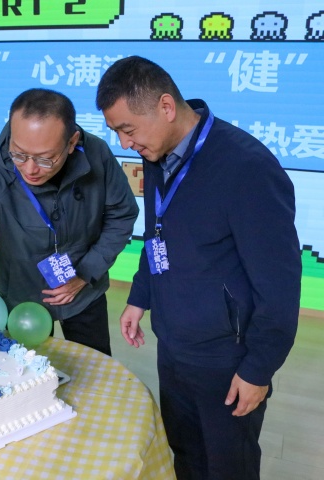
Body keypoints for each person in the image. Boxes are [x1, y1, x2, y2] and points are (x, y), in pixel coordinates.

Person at [95, 56, 301, 479]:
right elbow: (157, 233)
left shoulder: (247, 168)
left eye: (128, 129)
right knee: (185, 455)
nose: (124, 143)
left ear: (166, 107)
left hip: (227, 358)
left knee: (228, 467)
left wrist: (258, 368)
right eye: (116, 132)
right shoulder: (158, 154)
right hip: (173, 347)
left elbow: (280, 285)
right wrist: (140, 296)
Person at [0, 88, 139, 377]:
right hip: (20, 297)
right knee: (23, 380)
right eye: (19, 155)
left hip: (83, 291)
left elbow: (122, 215)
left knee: (94, 373)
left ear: (72, 142)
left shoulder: (96, 154)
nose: (31, 169)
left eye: (46, 159)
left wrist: (86, 272)